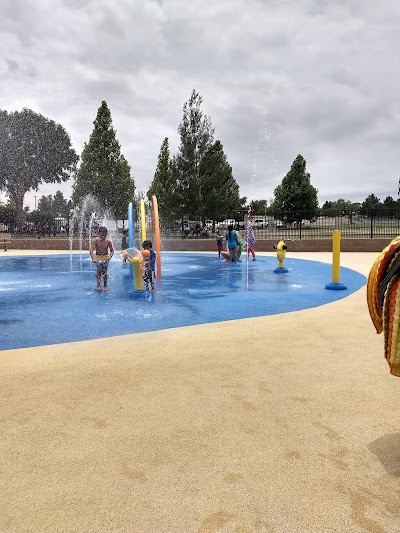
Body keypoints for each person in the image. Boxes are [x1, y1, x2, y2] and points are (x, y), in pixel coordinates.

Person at [90, 226, 114, 291]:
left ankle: (105, 285)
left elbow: (112, 251)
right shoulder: (95, 241)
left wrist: (109, 257)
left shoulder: (108, 241)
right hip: (98, 257)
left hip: (105, 257)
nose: (103, 236)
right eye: (101, 234)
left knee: (105, 271)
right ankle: (98, 285)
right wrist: (93, 258)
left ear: (106, 234)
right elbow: (91, 250)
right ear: (99, 234)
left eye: (104, 234)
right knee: (99, 270)